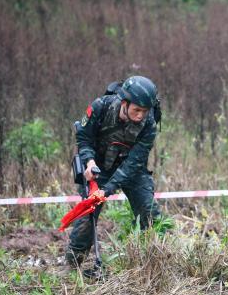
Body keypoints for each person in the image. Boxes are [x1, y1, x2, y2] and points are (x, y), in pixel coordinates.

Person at [65, 75, 161, 267]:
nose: (141, 115)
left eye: (145, 111)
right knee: (88, 212)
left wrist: (108, 189)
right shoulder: (101, 107)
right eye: (136, 110)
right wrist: (89, 162)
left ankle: (153, 262)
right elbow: (83, 137)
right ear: (125, 103)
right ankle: (74, 264)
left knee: (149, 211)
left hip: (131, 169)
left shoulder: (149, 123)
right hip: (99, 166)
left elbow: (135, 161)